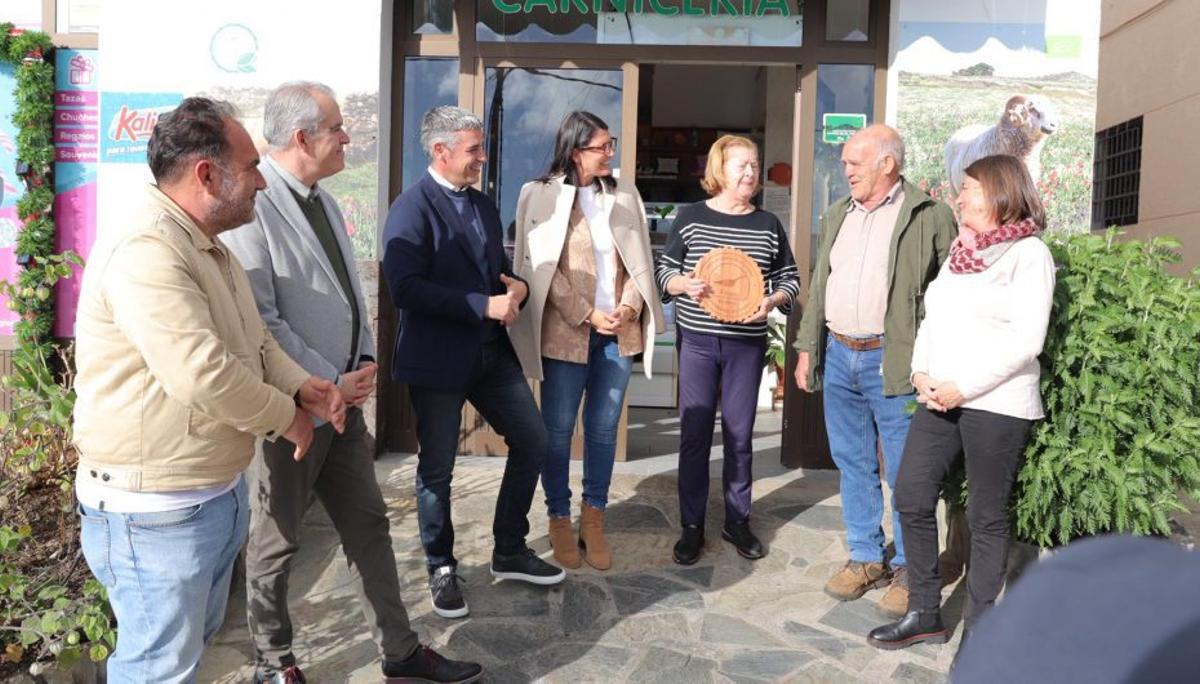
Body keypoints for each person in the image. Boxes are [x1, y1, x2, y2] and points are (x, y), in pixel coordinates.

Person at [72, 97, 346, 683]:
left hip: (206, 496)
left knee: (186, 655)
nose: (261, 185)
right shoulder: (148, 251)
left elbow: (257, 342)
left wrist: (304, 388)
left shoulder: (206, 243)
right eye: (251, 168)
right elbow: (200, 372)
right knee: (157, 669)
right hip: (155, 513)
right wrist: (286, 417)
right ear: (206, 174)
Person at [224, 83, 481, 684]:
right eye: (338, 128)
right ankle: (273, 663)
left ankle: (401, 654)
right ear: (302, 137)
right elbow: (261, 319)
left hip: (344, 407)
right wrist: (324, 379)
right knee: (276, 543)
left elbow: (349, 298)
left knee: (368, 526)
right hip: (292, 409)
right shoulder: (255, 207)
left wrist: (362, 363)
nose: (349, 137)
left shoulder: (325, 202)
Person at [382, 105, 565, 621]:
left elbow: (500, 272)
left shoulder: (484, 206)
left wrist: (518, 288)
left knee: (534, 440)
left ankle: (509, 549)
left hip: (491, 355)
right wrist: (481, 305)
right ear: (440, 151)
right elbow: (405, 289)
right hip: (438, 362)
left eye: (481, 148)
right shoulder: (410, 208)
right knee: (436, 469)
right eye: (473, 150)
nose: (482, 158)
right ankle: (441, 565)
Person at [867, 154, 1056, 651]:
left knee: (986, 515)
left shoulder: (1028, 254)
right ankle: (925, 612)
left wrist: (964, 387)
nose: (960, 197)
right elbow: (933, 318)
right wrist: (921, 372)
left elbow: (1026, 340)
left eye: (969, 188)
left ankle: (981, 629)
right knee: (910, 493)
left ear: (998, 192)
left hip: (997, 403)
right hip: (940, 395)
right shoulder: (960, 251)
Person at [793, 124, 957, 618]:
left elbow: (951, 295)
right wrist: (806, 348)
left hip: (895, 358)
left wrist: (937, 361)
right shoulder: (839, 212)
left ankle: (909, 567)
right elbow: (820, 283)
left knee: (906, 471)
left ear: (888, 164)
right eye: (845, 164)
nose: (845, 171)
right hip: (840, 353)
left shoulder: (930, 215)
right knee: (853, 462)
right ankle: (866, 557)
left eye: (854, 163)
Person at [508, 111, 665, 571]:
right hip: (565, 335)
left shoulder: (624, 194)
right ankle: (558, 517)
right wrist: (586, 312)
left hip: (618, 333)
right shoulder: (537, 195)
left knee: (601, 431)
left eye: (610, 144)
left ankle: (592, 520)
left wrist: (630, 308)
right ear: (576, 150)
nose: (609, 154)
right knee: (556, 432)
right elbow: (537, 266)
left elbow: (640, 261)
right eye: (602, 147)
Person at [655, 134, 801, 565]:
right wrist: (682, 283)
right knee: (694, 437)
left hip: (746, 346)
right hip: (698, 341)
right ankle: (692, 526)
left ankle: (737, 521)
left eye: (754, 165)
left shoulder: (768, 224)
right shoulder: (692, 218)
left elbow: (790, 279)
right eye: (742, 165)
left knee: (739, 436)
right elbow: (665, 267)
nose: (751, 173)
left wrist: (773, 301)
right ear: (719, 169)